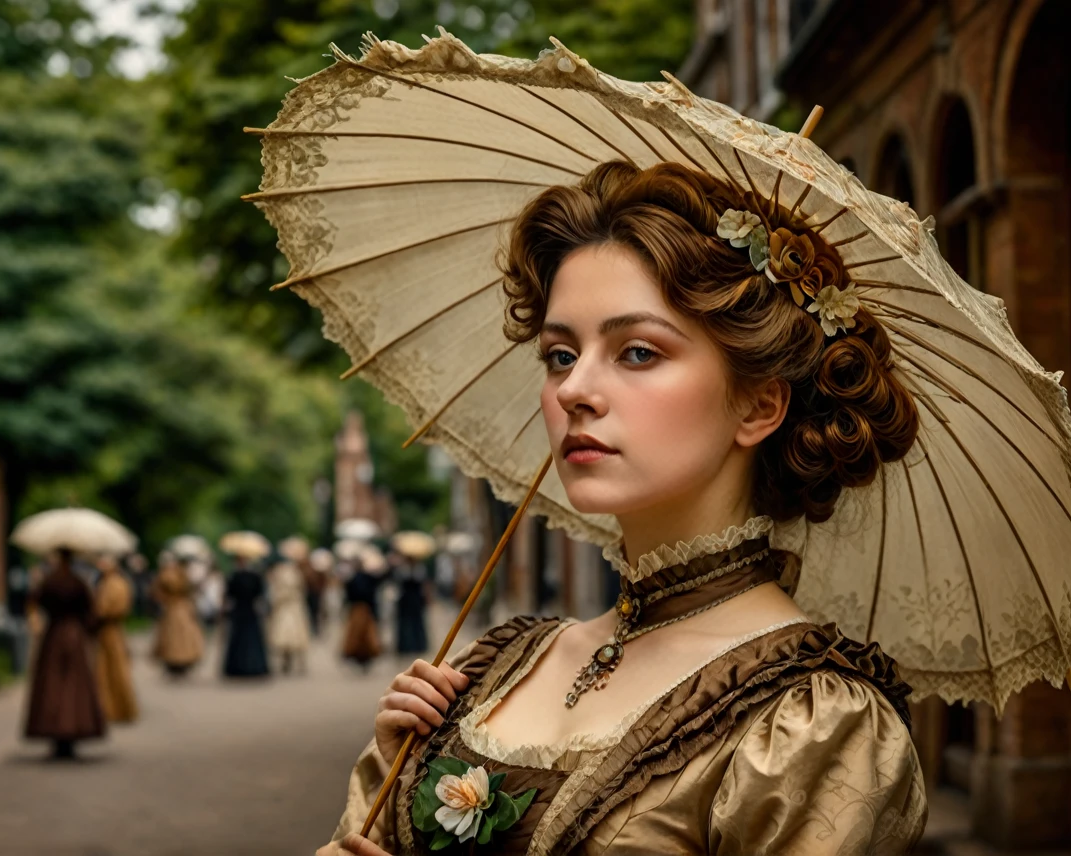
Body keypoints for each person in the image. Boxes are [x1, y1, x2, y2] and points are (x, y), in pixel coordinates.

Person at [321, 161, 925, 854]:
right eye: (559, 354)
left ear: (759, 404)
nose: (574, 388)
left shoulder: (813, 725)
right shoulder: (496, 669)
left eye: (636, 352)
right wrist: (386, 794)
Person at [24, 549, 106, 759]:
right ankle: (73, 730)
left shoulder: (48, 581)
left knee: (52, 685)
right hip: (75, 636)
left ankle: (55, 733)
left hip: (53, 637)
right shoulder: (79, 583)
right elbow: (91, 612)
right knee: (74, 686)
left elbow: (34, 602)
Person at [91, 554, 139, 723]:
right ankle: (111, 707)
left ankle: (115, 708)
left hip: (110, 631)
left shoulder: (113, 584)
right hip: (112, 631)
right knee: (108, 670)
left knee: (114, 669)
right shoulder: (113, 583)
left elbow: (105, 609)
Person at [152, 550, 206, 676]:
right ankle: (178, 660)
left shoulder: (170, 574)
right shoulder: (180, 573)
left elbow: (160, 590)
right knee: (179, 634)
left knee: (178, 634)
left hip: (177, 607)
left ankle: (179, 660)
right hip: (178, 607)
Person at [221, 551, 270, 678]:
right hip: (242, 611)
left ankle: (249, 666)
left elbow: (259, 593)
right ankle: (244, 666)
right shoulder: (239, 576)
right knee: (244, 638)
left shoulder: (240, 576)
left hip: (246, 610)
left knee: (247, 638)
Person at [339, 545, 383, 671]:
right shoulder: (356, 578)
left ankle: (364, 657)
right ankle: (358, 657)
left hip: (364, 609)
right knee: (357, 636)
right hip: (359, 609)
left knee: (366, 637)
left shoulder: (365, 578)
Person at [266, 557, 313, 675]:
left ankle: (292, 662)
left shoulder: (282, 574)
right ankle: (296, 662)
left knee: (289, 635)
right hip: (291, 608)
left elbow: (277, 592)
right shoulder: (296, 574)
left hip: (288, 608)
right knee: (294, 636)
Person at [390, 550, 429, 655]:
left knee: (417, 623)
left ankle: (418, 645)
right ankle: (405, 646)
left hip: (416, 599)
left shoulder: (420, 568)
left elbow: (423, 582)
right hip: (405, 599)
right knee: (404, 623)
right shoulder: (401, 569)